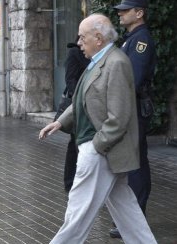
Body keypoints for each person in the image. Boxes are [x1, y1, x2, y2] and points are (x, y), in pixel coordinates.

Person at [39, 13, 157, 244]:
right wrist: (60, 121)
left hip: (101, 151)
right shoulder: (98, 61)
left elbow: (119, 117)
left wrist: (96, 146)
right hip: (102, 150)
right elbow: (81, 99)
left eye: (83, 38)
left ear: (99, 38)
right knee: (128, 211)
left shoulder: (117, 63)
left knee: (78, 212)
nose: (79, 43)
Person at [109, 0, 157, 238]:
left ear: (139, 13)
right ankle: (131, 220)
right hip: (129, 107)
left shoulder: (141, 41)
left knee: (136, 164)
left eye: (125, 10)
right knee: (133, 163)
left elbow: (133, 80)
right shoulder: (131, 39)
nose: (120, 13)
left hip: (134, 108)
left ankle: (136, 219)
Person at [56, 37, 90, 192]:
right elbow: (70, 80)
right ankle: (70, 183)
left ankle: (73, 183)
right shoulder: (75, 52)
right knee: (75, 144)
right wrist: (80, 101)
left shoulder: (95, 55)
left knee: (77, 143)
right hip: (78, 106)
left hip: (90, 106)